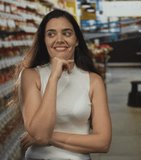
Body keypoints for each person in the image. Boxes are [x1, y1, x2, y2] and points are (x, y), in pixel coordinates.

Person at [14, 9, 112, 160]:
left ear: (77, 40)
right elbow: (39, 133)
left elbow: (103, 142)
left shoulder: (93, 81)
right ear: (44, 40)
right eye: (51, 34)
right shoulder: (31, 76)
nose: (59, 39)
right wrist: (54, 77)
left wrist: (50, 137)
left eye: (67, 33)